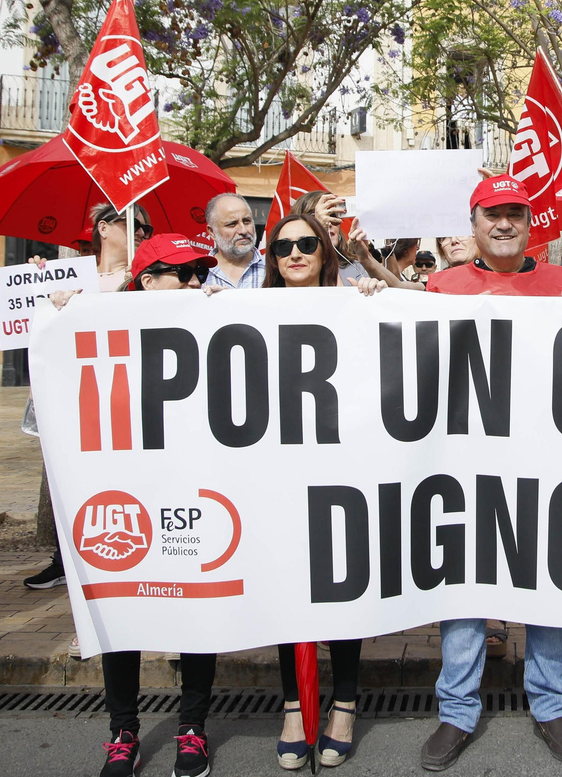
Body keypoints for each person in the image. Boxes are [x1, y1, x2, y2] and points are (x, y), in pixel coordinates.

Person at [419, 174, 562, 771]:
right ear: (474, 224)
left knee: (546, 579)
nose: (504, 223)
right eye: (493, 214)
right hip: (467, 462)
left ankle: (551, 704)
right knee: (464, 583)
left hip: (547, 459)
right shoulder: (443, 285)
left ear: (530, 222)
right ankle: (457, 711)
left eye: (515, 212)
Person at [262, 212, 386, 768]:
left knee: (342, 590)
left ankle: (344, 705)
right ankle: (294, 707)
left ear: (323, 251)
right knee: (289, 590)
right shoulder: (246, 311)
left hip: (343, 473)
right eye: (283, 246)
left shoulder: (354, 301)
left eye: (306, 243)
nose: (294, 253)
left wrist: (378, 293)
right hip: (279, 474)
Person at [96, 234, 221, 777]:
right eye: (183, 273)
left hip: (193, 489)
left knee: (197, 609)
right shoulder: (103, 324)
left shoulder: (214, 321)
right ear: (147, 282)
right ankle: (123, 732)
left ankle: (192, 728)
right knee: (123, 610)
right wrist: (61, 308)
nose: (196, 282)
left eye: (201, 273)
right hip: (128, 490)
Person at [24, 202, 151, 592]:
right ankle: (66, 560)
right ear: (103, 229)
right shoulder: (68, 277)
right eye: (133, 224)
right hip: (74, 398)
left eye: (145, 229)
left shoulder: (146, 278)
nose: (140, 233)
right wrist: (38, 284)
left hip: (126, 398)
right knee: (72, 481)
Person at [203, 192, 265, 290]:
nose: (243, 231)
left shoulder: (273, 269)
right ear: (212, 232)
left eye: (247, 221)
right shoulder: (197, 274)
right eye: (232, 224)